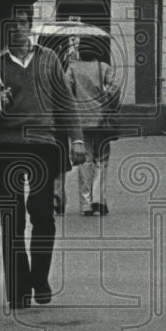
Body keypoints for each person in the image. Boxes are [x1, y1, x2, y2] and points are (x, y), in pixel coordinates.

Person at [0, 7, 85, 309]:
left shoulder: (49, 59)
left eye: (22, 24)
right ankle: (18, 287)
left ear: (30, 26)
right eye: (11, 25)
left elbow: (66, 103)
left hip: (43, 144)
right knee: (12, 218)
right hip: (9, 146)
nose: (17, 30)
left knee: (42, 215)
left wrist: (77, 138)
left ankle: (39, 279)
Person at [67, 37, 121, 217]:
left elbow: (67, 90)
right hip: (101, 121)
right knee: (102, 161)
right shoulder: (103, 67)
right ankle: (99, 200)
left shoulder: (73, 67)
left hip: (80, 121)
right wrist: (105, 100)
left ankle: (85, 204)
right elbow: (114, 88)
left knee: (85, 161)